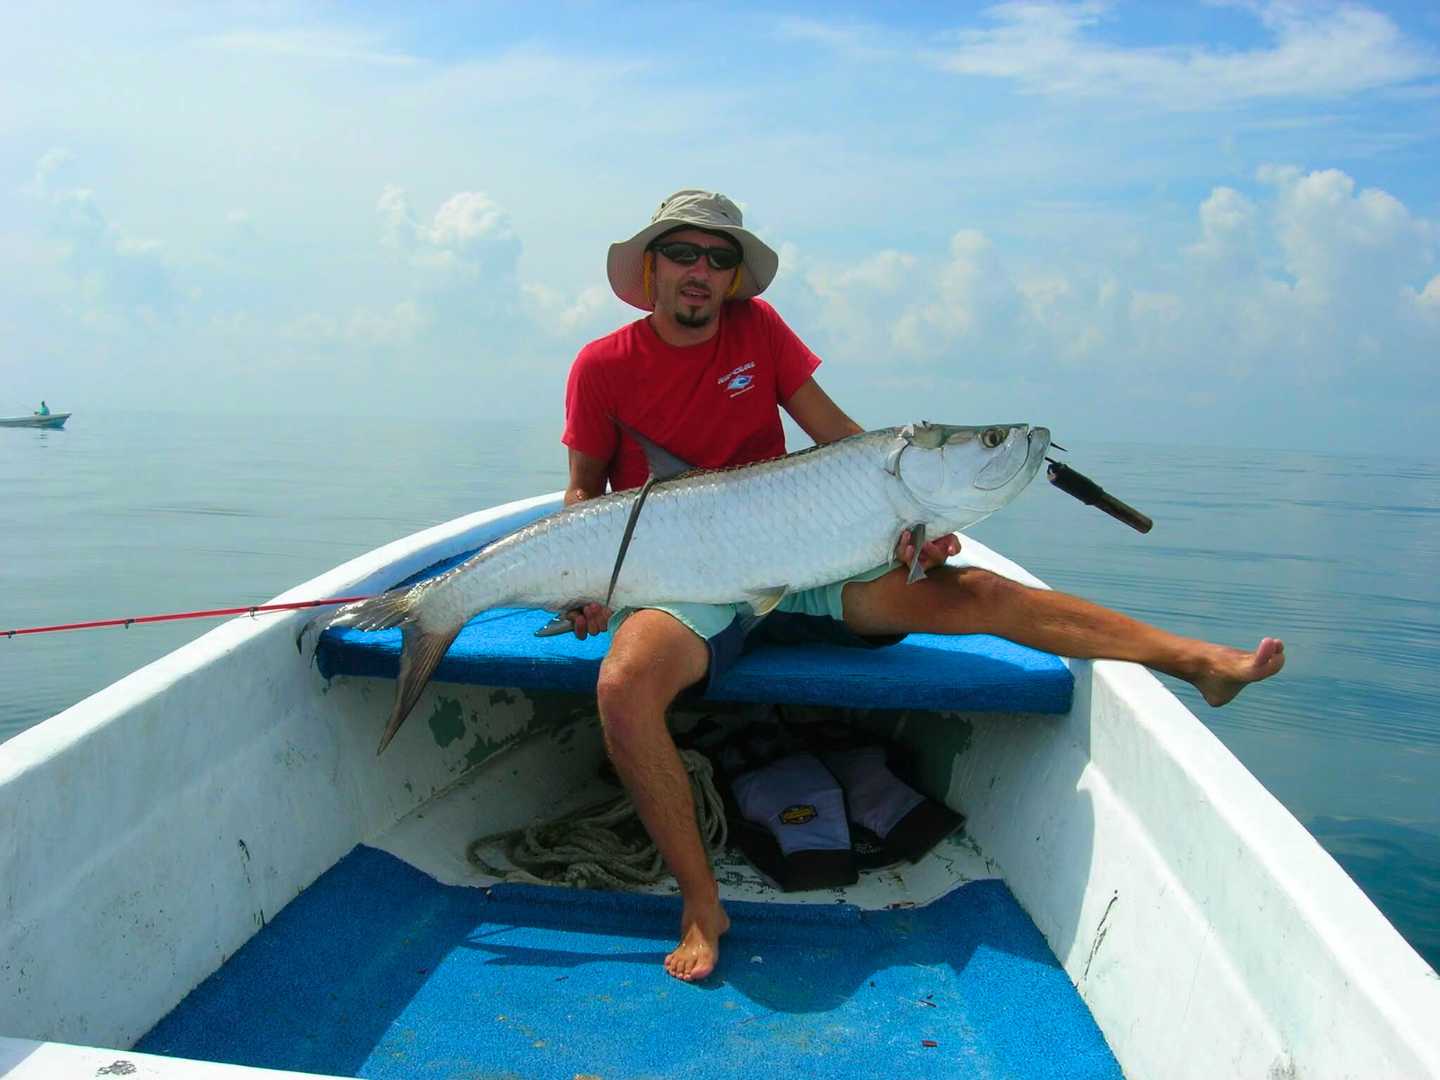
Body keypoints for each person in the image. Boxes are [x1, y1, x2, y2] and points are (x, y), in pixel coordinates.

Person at [561, 190, 1285, 983]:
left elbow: (844, 444)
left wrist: (900, 517)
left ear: (735, 277)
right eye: (686, 254)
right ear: (652, 266)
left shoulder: (759, 331)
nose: (702, 271)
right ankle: (703, 903)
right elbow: (582, 498)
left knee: (972, 592)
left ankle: (1195, 662)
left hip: (807, 561)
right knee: (625, 684)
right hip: (689, 575)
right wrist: (591, 585)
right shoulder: (602, 366)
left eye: (720, 257)